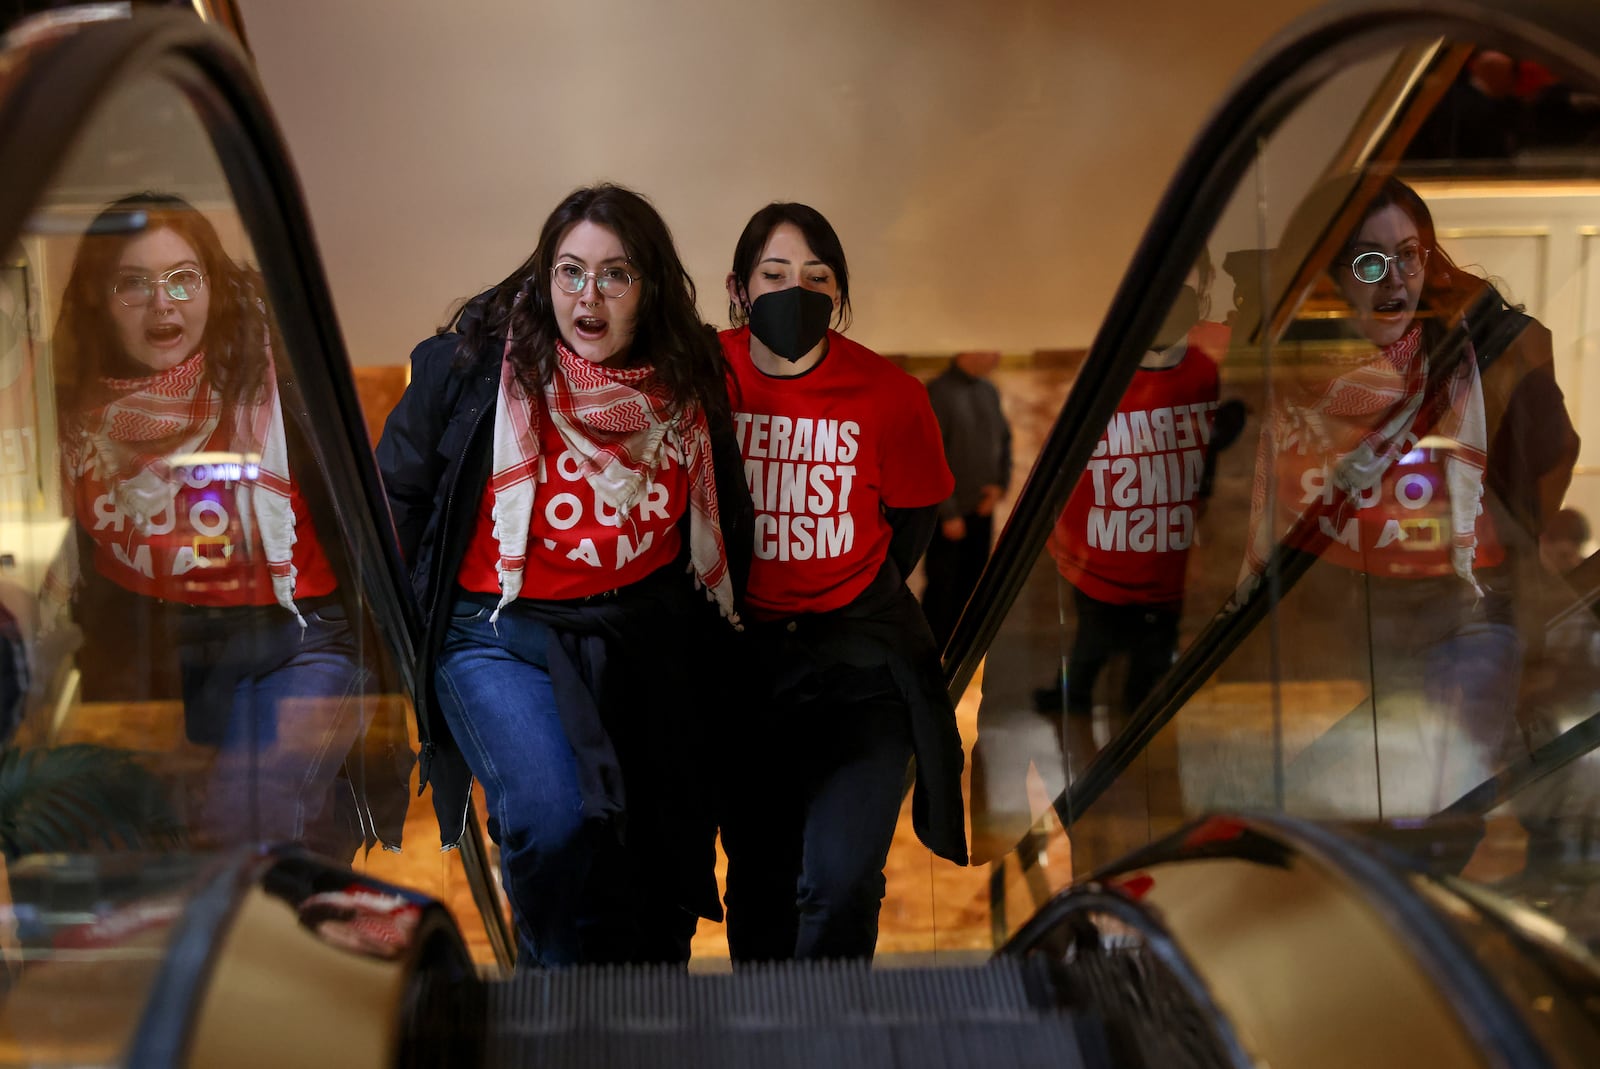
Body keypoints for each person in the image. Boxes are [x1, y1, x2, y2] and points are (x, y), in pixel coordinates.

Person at [376, 183, 750, 968]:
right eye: (570, 272)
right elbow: (395, 500)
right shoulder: (477, 366)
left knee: (653, 854)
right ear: (544, 279)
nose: (589, 295)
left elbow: (728, 514)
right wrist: (395, 639)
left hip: (637, 630)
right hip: (497, 632)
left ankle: (642, 1006)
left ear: (648, 288)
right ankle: (554, 983)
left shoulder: (690, 377)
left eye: (615, 275)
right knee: (551, 818)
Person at [47, 192, 379, 855]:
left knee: (246, 824)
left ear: (211, 284)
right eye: (132, 284)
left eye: (182, 279)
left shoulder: (269, 365)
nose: (162, 304)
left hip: (297, 640)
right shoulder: (68, 404)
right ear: (99, 301)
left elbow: (367, 511)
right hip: (160, 658)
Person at [1238, 174, 1569, 815]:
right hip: (1328, 653)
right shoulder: (1269, 370)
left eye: (1409, 255)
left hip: (1451, 631)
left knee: (1432, 818)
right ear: (1324, 275)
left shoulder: (1481, 358)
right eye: (1369, 261)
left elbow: (1547, 467)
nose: (1396, 280)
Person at [715, 202, 966, 963]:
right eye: (776, 274)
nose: (798, 291)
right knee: (759, 882)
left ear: (840, 293)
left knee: (841, 880)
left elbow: (915, 520)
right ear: (738, 288)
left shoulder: (892, 395)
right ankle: (768, 1034)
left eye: (817, 277)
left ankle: (832, 1032)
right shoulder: (700, 375)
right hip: (746, 674)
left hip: (861, 674)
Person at [921, 350, 1011, 651]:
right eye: (990, 349)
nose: (996, 355)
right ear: (967, 351)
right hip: (951, 515)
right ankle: (932, 654)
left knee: (973, 584)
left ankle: (962, 652)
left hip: (981, 508)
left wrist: (999, 486)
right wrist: (948, 513)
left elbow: (1004, 440)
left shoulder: (989, 390)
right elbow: (929, 457)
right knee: (942, 589)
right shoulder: (938, 393)